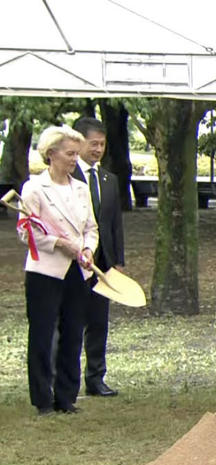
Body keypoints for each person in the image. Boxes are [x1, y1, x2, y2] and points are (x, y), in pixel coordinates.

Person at [17, 126, 98, 415]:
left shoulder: (80, 188)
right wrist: (56, 243)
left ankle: (67, 395)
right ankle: (42, 398)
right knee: (42, 333)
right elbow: (26, 233)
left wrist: (87, 248)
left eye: (77, 153)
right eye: (70, 153)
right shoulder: (34, 188)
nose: (75, 159)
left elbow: (91, 228)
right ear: (51, 154)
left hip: (78, 271)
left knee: (74, 332)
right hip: (45, 273)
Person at [72, 117, 124, 397]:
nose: (98, 150)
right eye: (94, 144)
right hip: (73, 261)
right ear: (79, 143)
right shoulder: (68, 177)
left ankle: (95, 377)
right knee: (68, 321)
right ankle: (63, 377)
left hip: (102, 264)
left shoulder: (109, 179)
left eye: (102, 145)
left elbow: (114, 224)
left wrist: (117, 261)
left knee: (98, 323)